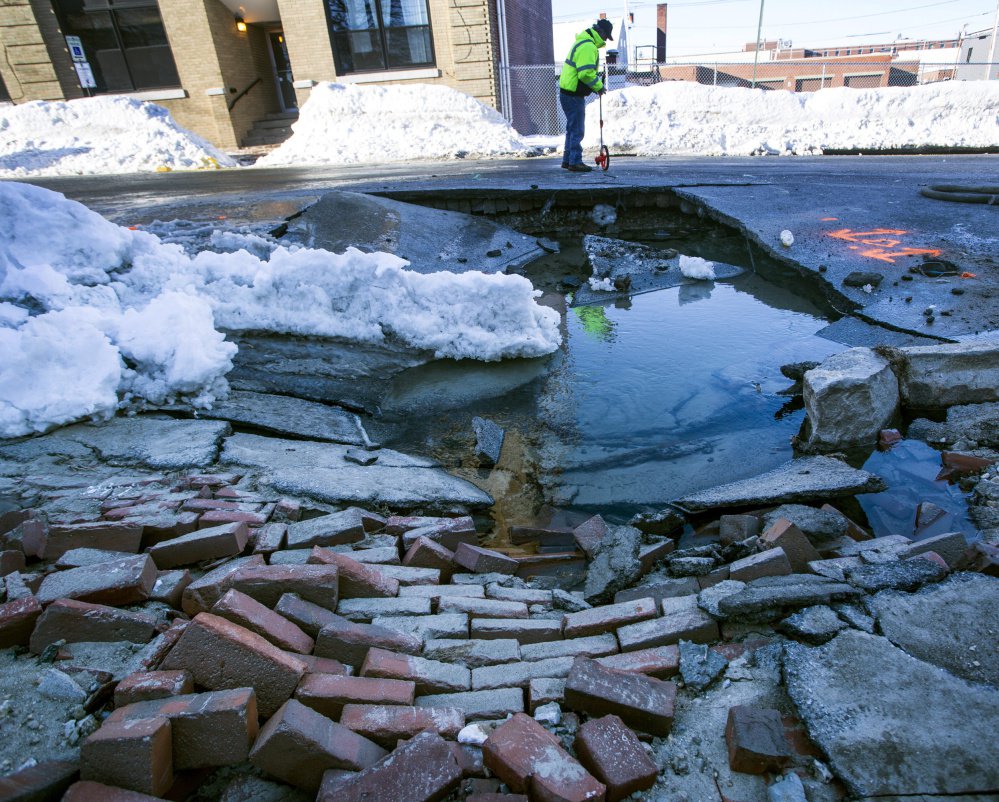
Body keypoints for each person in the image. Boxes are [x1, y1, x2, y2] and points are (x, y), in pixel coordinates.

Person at [559, 18, 613, 173]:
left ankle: (567, 160)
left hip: (567, 93)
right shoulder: (588, 47)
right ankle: (575, 162)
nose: (605, 40)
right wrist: (599, 87)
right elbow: (585, 74)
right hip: (573, 94)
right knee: (577, 129)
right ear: (600, 32)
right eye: (606, 36)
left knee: (571, 128)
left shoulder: (583, 42)